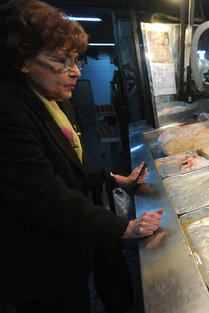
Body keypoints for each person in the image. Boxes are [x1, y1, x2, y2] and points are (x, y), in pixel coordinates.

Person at [0, 1, 163, 312]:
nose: (75, 72)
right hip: (39, 268)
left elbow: (73, 166)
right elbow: (47, 195)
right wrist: (122, 228)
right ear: (23, 59)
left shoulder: (54, 98)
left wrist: (118, 178)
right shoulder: (9, 112)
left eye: (76, 61)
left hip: (71, 249)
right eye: (62, 62)